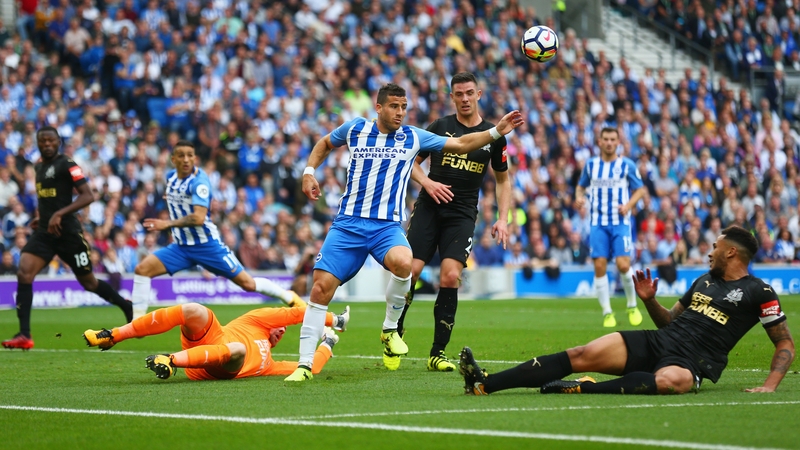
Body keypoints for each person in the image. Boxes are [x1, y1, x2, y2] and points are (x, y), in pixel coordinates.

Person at [286, 83, 523, 381]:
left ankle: (389, 330)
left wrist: (496, 131)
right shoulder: (354, 130)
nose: (400, 113)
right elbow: (323, 143)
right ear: (379, 107)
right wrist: (309, 172)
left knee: (405, 264)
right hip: (348, 225)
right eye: (394, 107)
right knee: (320, 289)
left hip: (386, 227)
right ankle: (304, 365)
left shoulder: (413, 136)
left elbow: (462, 145)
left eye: (404, 107)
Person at [458, 226, 794, 395]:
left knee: (670, 382)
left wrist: (770, 384)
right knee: (581, 352)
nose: (710, 252)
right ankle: (485, 383)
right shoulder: (705, 281)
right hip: (658, 342)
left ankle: (582, 387)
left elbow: (785, 344)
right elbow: (670, 321)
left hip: (692, 362)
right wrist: (649, 301)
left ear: (732, 253)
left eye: (716, 248)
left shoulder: (759, 291)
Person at [391, 72, 511, 372]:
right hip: (430, 207)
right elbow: (410, 163)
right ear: (452, 97)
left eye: (470, 93)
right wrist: (428, 184)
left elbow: (502, 179)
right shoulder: (441, 128)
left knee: (449, 276)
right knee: (411, 271)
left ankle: (437, 353)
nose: (465, 98)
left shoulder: (493, 135)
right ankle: (392, 331)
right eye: (459, 94)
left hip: (462, 213)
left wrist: (503, 218)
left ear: (479, 94)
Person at [130, 140, 304, 319]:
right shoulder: (171, 178)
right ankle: (136, 323)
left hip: (207, 245)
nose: (186, 159)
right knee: (142, 270)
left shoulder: (200, 182)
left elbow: (198, 218)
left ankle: (289, 296)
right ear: (173, 159)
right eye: (181, 155)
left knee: (247, 283)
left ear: (195, 158)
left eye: (190, 155)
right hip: (181, 246)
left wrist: (167, 224)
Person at [2, 127, 132, 350]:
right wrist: (42, 218)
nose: (47, 144)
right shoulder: (39, 166)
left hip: (69, 234)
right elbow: (49, 199)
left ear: (58, 142)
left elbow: (88, 195)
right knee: (24, 271)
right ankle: (24, 335)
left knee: (88, 283)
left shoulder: (68, 164)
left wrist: (59, 214)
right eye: (43, 141)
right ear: (38, 143)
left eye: (51, 140)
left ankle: (125, 305)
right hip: (45, 232)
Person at [83, 302, 350, 380]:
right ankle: (112, 336)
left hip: (223, 367)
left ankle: (170, 360)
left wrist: (328, 343)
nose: (282, 331)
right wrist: (333, 320)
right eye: (279, 328)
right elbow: (295, 313)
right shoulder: (255, 320)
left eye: (284, 333)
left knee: (236, 350)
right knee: (194, 310)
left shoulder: (269, 364)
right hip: (211, 341)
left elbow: (311, 368)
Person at [574, 127, 647, 327]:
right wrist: (579, 197)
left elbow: (640, 190)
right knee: (599, 266)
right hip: (597, 222)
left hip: (620, 222)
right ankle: (607, 312)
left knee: (624, 265)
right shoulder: (591, 165)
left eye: (612, 139)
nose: (608, 142)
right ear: (599, 141)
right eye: (605, 139)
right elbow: (580, 187)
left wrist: (629, 206)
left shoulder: (627, 165)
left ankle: (632, 305)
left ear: (618, 142)